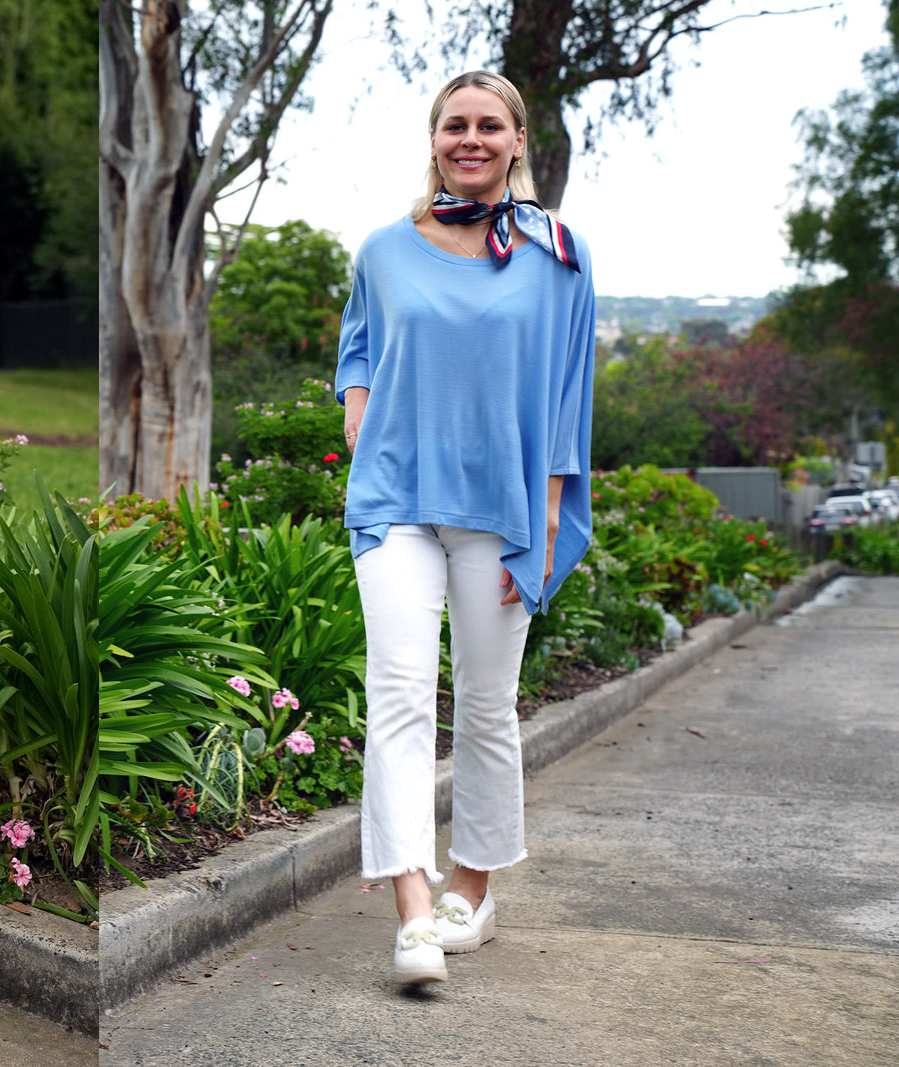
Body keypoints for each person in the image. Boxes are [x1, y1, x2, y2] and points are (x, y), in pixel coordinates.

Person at [334, 70, 595, 986]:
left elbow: (568, 389)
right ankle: (411, 912)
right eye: (455, 125)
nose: (471, 139)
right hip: (397, 500)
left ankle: (470, 894)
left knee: (487, 704)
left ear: (518, 141)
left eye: (490, 126)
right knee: (398, 695)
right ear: (435, 139)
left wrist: (553, 516)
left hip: (508, 511)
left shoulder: (558, 252)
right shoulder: (382, 249)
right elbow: (357, 342)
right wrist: (357, 409)